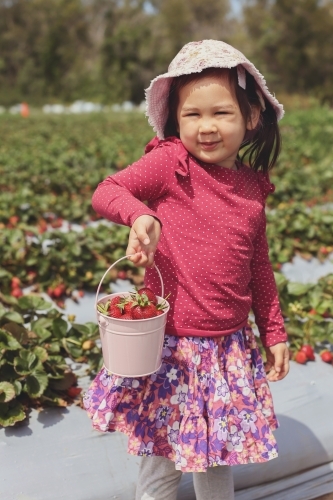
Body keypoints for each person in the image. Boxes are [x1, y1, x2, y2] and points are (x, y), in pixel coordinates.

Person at [84, 40, 290, 500]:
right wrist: (141, 216)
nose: (207, 127)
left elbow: (259, 265)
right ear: (176, 120)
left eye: (221, 113)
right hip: (171, 347)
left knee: (217, 459)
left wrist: (273, 332)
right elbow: (107, 189)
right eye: (192, 115)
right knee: (161, 460)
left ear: (251, 117)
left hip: (227, 348)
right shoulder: (170, 163)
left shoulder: (253, 188)